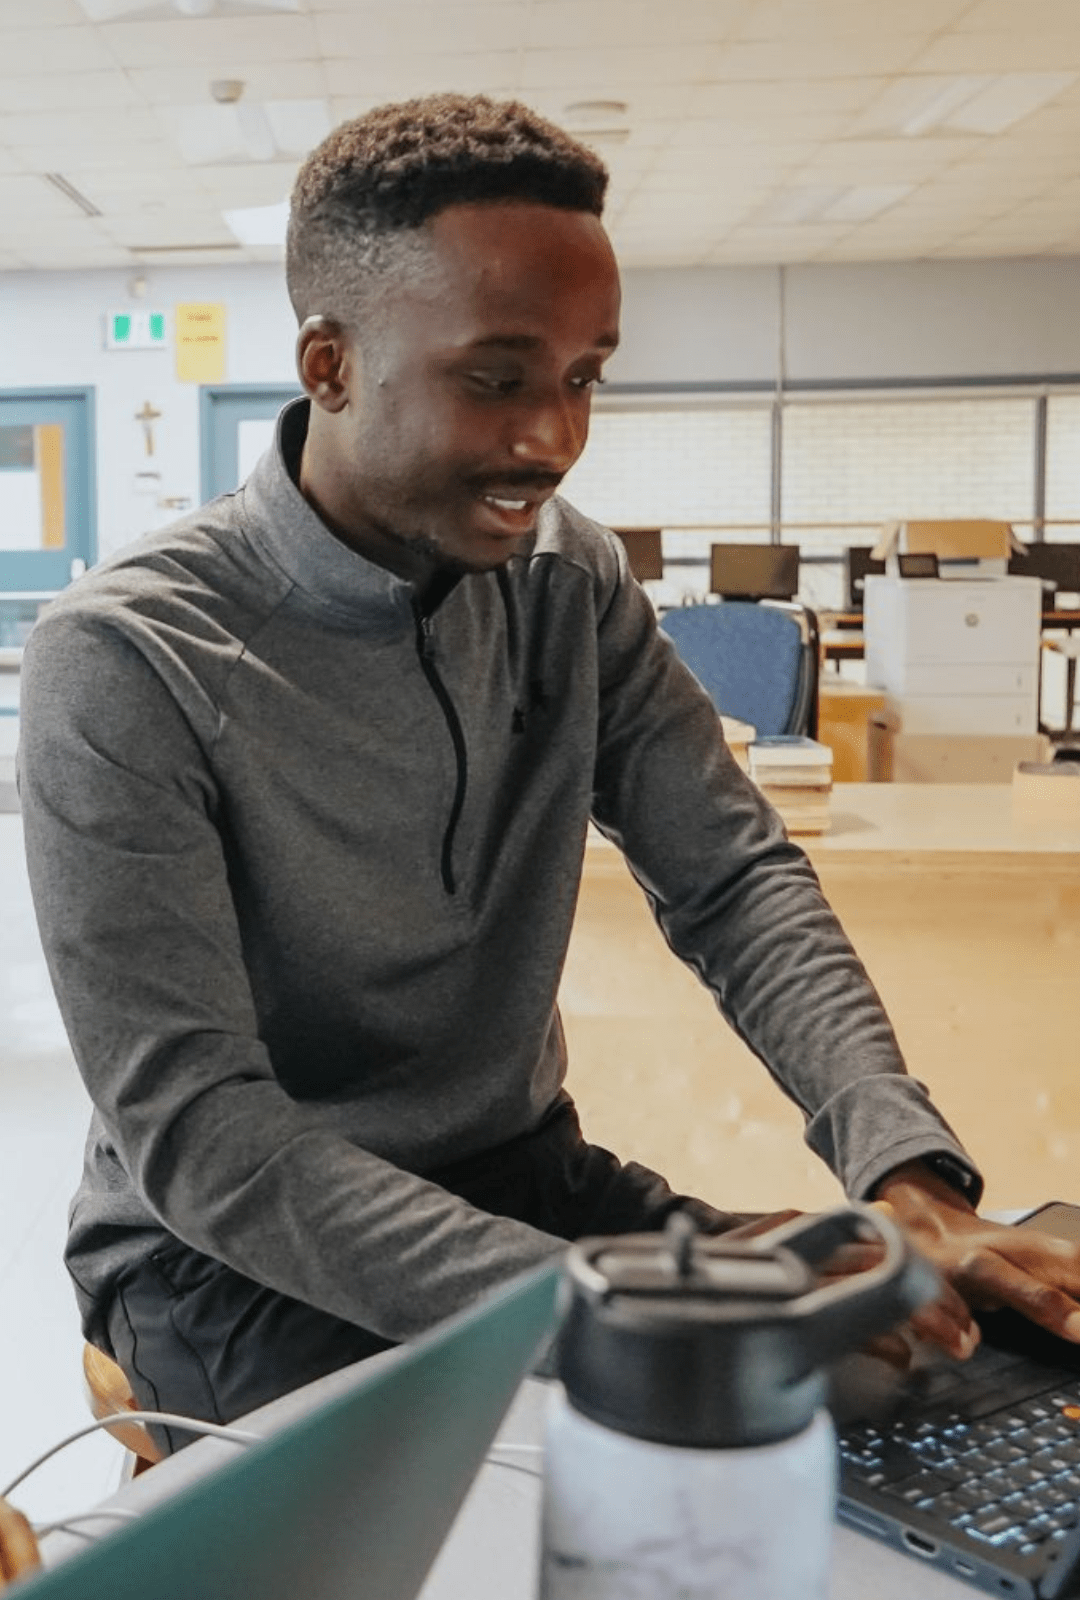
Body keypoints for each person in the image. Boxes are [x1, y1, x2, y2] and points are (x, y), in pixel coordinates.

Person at [18, 94, 1080, 1450]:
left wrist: (904, 1168)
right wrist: (629, 1303)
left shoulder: (568, 580)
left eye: (584, 375)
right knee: (597, 1494)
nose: (555, 437)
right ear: (329, 365)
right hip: (229, 1259)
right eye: (497, 376)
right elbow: (207, 1141)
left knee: (930, 1396)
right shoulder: (125, 660)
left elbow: (734, 879)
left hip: (524, 1182)